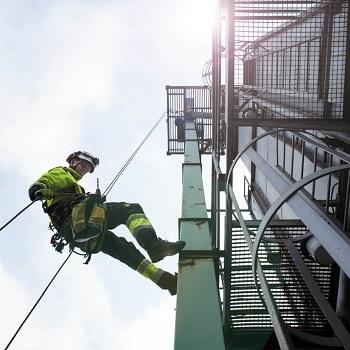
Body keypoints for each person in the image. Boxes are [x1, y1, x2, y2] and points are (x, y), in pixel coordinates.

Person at [28, 151, 186, 295]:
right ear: (74, 161)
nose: (84, 170)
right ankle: (154, 246)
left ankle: (165, 281)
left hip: (77, 231)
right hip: (80, 219)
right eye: (83, 165)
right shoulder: (64, 173)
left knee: (123, 249)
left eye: (87, 169)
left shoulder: (77, 188)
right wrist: (40, 187)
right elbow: (52, 178)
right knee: (130, 210)